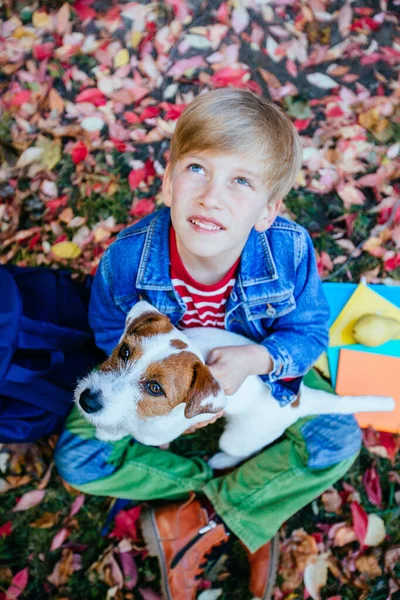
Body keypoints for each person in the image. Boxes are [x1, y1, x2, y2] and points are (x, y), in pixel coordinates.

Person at [55, 88, 361, 600]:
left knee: (338, 440)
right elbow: (111, 334)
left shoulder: (287, 250)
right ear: (170, 182)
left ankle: (208, 513)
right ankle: (225, 496)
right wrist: (160, 407)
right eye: (198, 169)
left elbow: (308, 334)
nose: (212, 195)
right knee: (80, 462)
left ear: (267, 210)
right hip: (153, 384)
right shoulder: (129, 259)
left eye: (240, 181)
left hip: (259, 369)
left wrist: (256, 358)